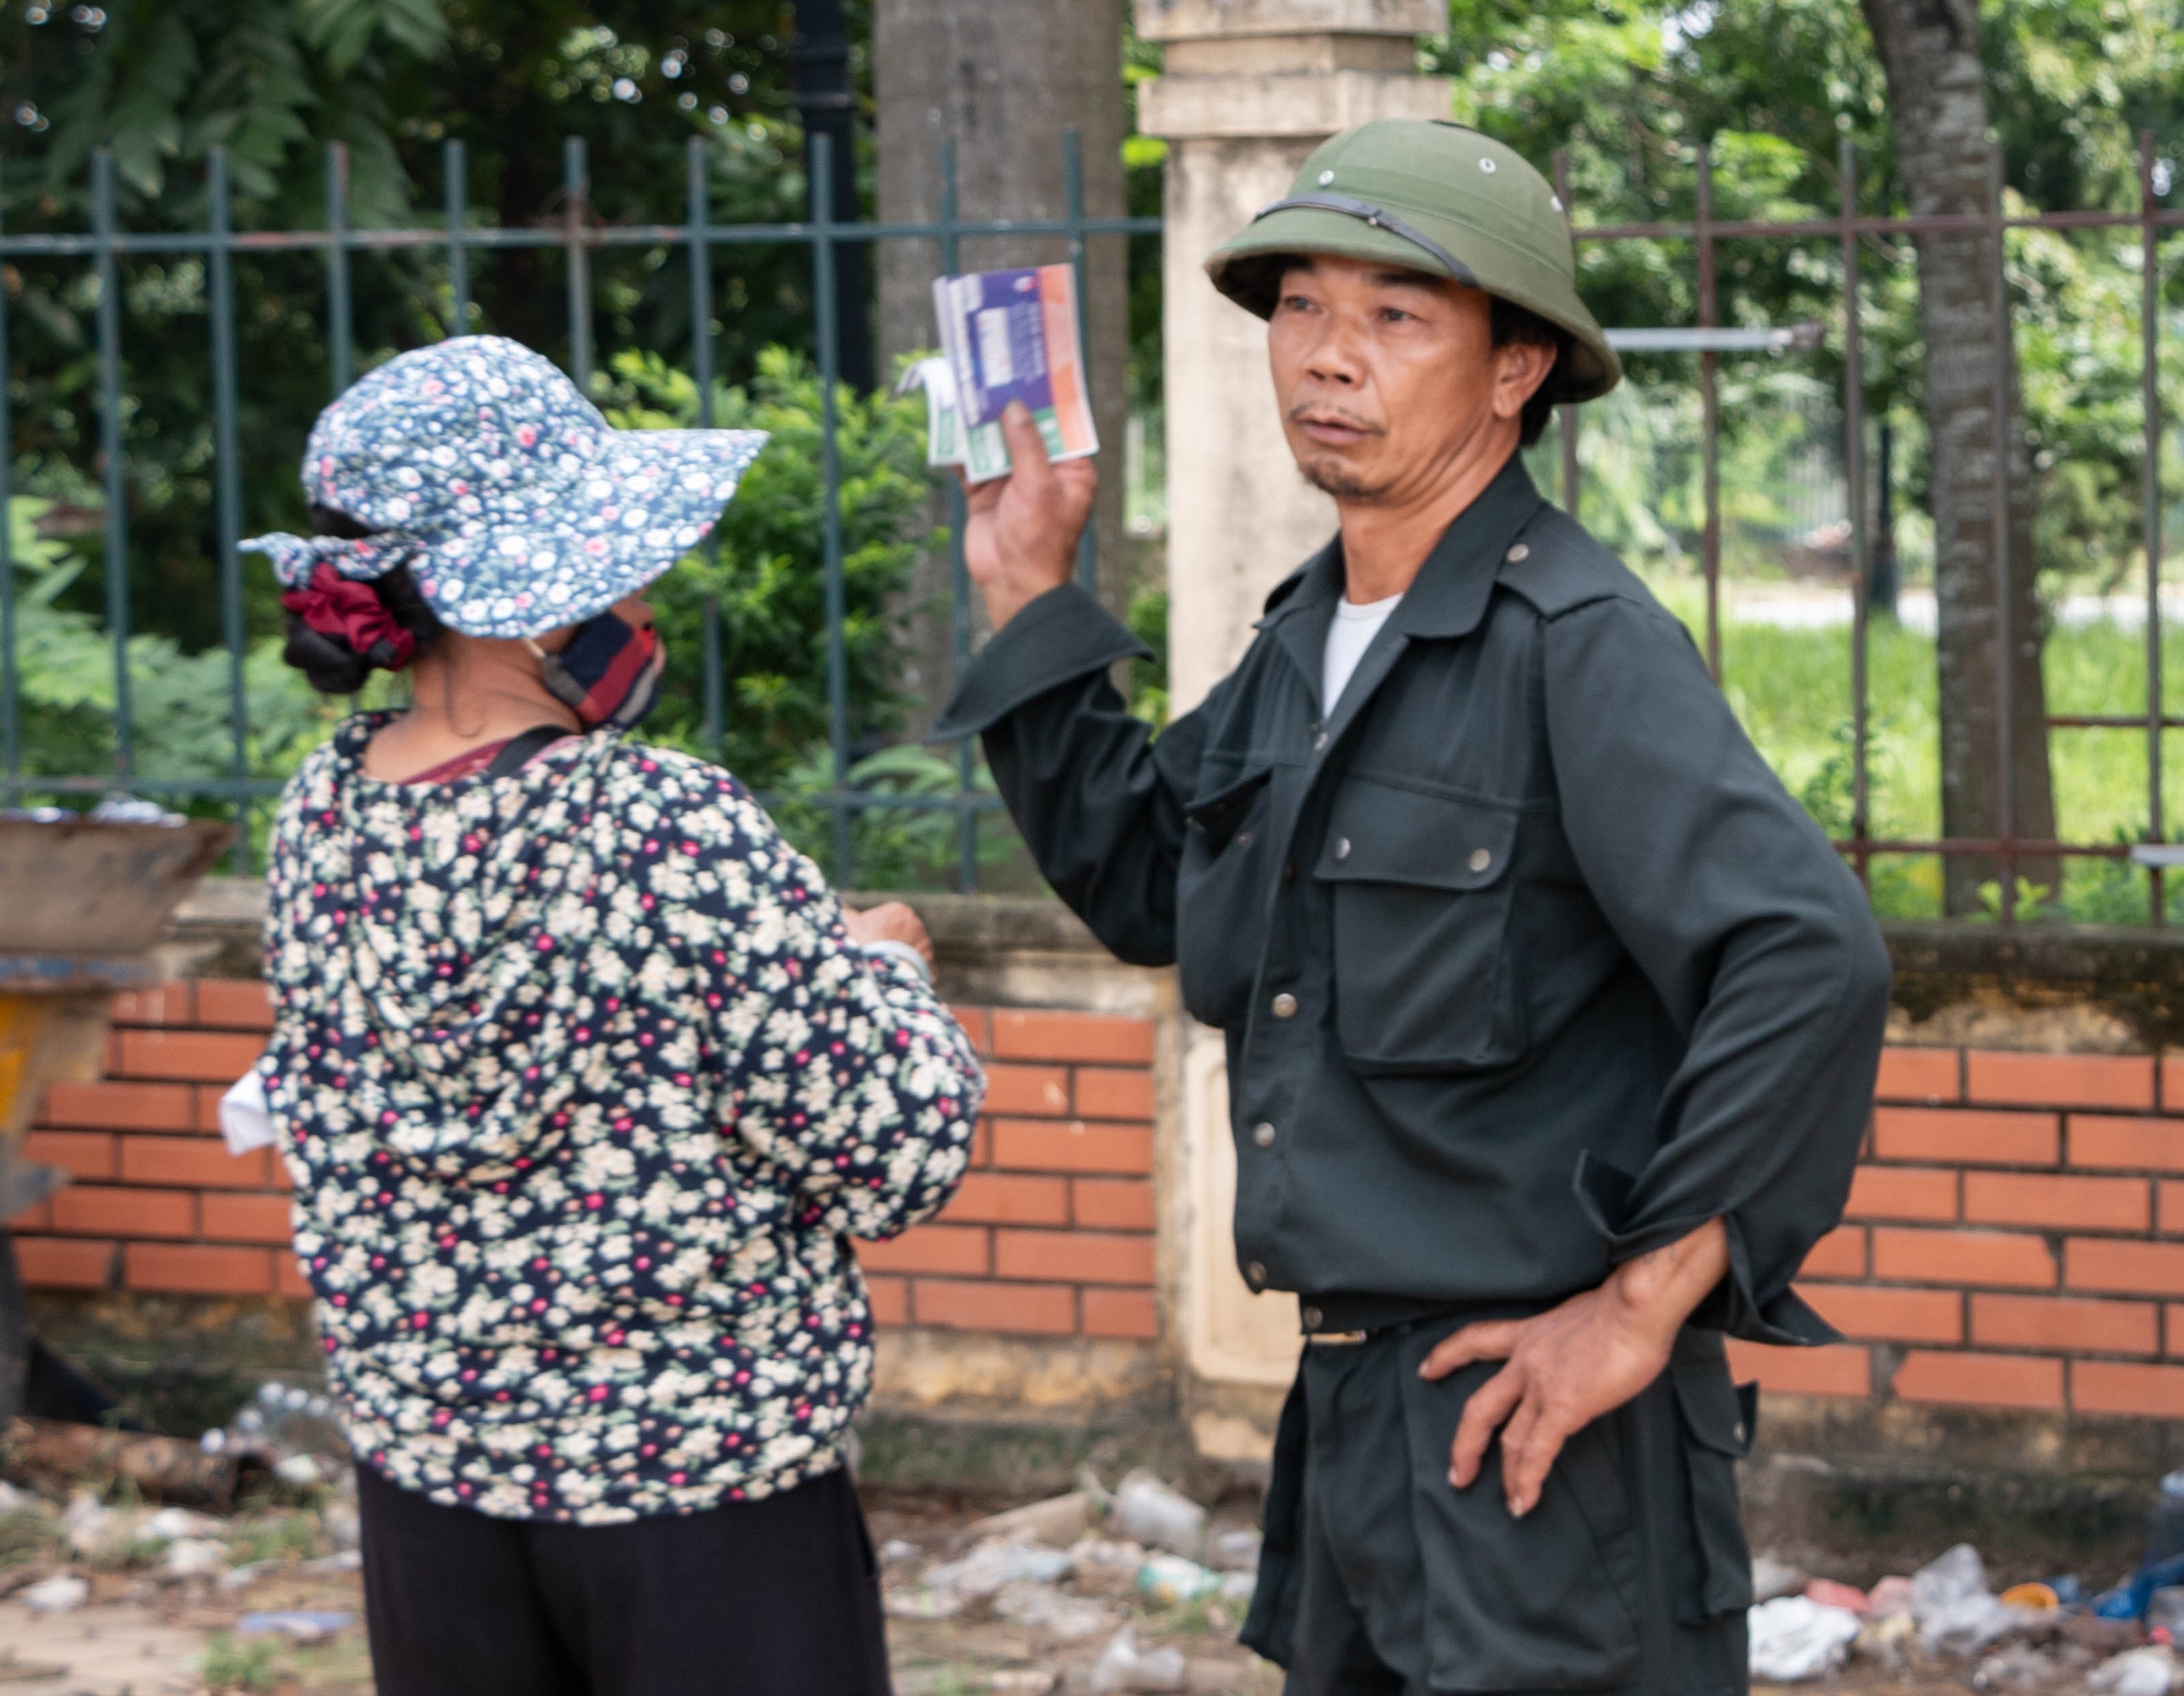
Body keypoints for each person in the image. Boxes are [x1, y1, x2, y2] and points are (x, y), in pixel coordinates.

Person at [930, 120, 1891, 1693]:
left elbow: (1807, 956)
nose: (1327, 356)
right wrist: (1028, 594)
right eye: (1302, 306)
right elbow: (1151, 879)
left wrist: (1642, 1306)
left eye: (1395, 315)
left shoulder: (1574, 640)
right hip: (1360, 1410)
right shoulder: (1315, 638)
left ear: (1515, 369)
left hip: (1544, 1435)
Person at [242, 335, 984, 1696]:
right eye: (616, 555)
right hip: (700, 1505)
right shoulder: (660, 822)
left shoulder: (318, 819)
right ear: (529, 599)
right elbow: (898, 1149)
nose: (641, 590)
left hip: (432, 1491)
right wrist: (883, 970)